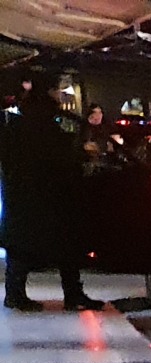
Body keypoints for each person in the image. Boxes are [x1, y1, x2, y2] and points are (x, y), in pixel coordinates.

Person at [1, 89, 103, 311]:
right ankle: (73, 293)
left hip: (21, 201)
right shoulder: (46, 132)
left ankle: (15, 293)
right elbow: (63, 160)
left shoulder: (14, 131)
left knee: (21, 249)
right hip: (48, 199)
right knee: (65, 247)